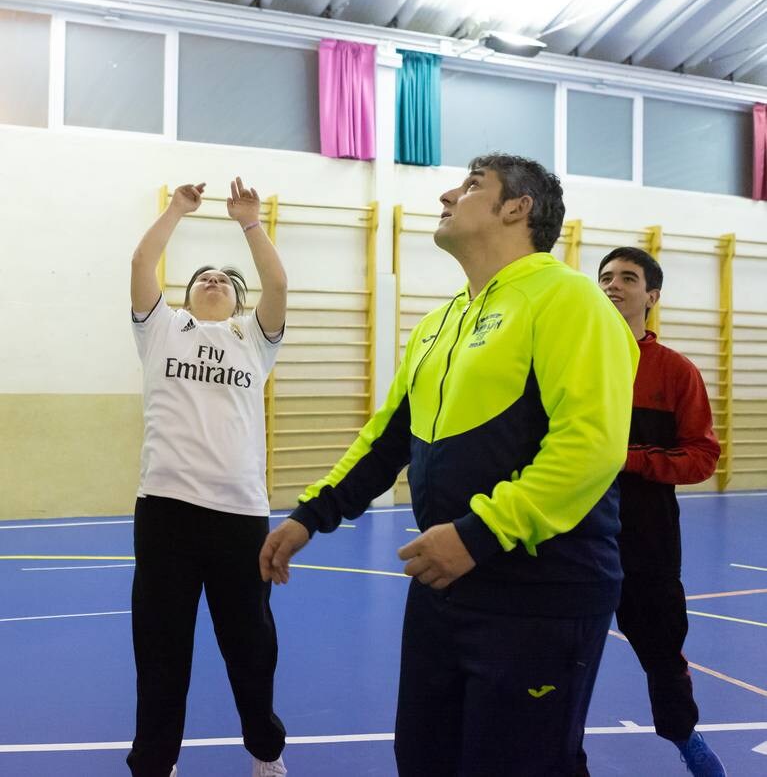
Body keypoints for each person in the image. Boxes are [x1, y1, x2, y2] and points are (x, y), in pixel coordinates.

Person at [260, 154, 639, 777]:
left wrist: (479, 534)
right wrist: (311, 516)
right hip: (445, 584)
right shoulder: (440, 322)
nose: (446, 193)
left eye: (470, 186)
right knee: (424, 758)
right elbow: (388, 438)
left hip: (540, 592)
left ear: (518, 208)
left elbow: (591, 445)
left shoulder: (570, 299)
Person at [128, 178, 288, 777]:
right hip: (166, 511)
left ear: (238, 300)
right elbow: (143, 260)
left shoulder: (253, 339)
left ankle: (266, 753)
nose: (213, 282)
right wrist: (177, 208)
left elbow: (277, 284)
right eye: (201, 279)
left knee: (251, 647)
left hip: (239, 516)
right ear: (186, 296)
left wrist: (250, 222)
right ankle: (154, 763)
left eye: (223, 280)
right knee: (161, 647)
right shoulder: (160, 329)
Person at [594, 247, 726, 777]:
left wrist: (628, 460)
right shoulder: (567, 362)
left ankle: (684, 736)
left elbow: (702, 456)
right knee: (554, 650)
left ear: (651, 296)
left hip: (646, 538)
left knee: (663, 650)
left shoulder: (675, 371)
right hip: (571, 534)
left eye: (628, 277)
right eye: (605, 276)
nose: (613, 285)